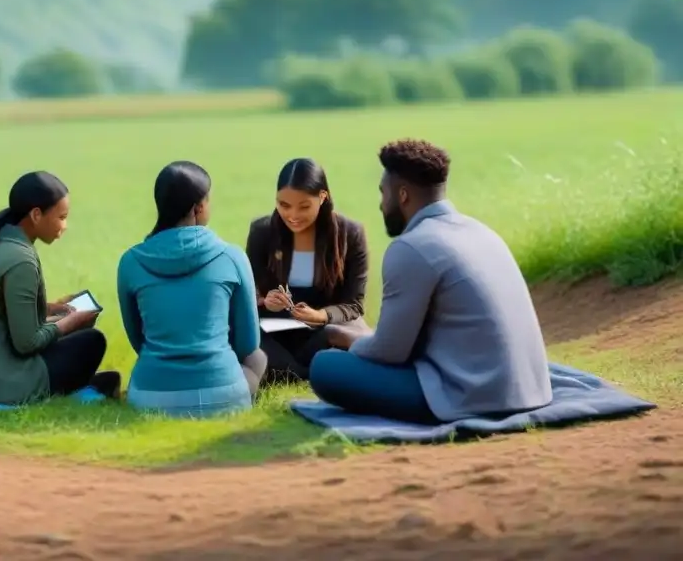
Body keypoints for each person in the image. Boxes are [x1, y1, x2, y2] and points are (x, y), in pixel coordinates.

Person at [309, 139, 553, 424]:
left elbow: (390, 353)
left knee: (325, 366)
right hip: (528, 390)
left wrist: (351, 338)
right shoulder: (482, 232)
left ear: (402, 195)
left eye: (382, 193)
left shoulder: (411, 247)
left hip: (468, 397)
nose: (381, 204)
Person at [0, 171, 121, 406]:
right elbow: (27, 343)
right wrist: (69, 323)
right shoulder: (21, 260)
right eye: (61, 217)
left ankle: (93, 381)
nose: (65, 226)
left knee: (68, 328)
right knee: (92, 341)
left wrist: (52, 309)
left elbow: (0, 310)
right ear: (36, 214)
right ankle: (87, 384)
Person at [117, 161, 267, 418]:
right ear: (198, 208)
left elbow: (137, 338)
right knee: (259, 358)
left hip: (150, 398)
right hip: (222, 395)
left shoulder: (130, 262)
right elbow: (248, 344)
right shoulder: (232, 257)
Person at [245, 158, 371, 384]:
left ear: (322, 198)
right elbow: (252, 294)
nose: (292, 215)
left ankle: (290, 372)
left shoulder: (350, 234)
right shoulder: (262, 232)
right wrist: (265, 301)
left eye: (304, 207)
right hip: (276, 332)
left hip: (326, 330)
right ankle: (305, 372)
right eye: (284, 205)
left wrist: (321, 315)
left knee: (346, 335)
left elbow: (354, 305)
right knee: (240, 333)